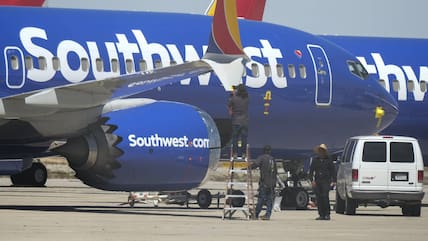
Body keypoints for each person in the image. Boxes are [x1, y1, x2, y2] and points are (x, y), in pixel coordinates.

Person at [309, 144, 336, 221]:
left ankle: (327, 214)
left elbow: (333, 171)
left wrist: (334, 181)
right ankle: (321, 214)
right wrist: (312, 180)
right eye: (319, 151)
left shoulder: (329, 160)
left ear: (324, 152)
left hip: (326, 181)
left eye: (322, 151)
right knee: (319, 198)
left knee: (325, 197)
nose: (320, 152)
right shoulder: (315, 160)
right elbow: (311, 171)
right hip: (318, 181)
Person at [250, 145, 277, 220]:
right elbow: (275, 172)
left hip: (264, 182)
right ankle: (267, 215)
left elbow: (255, 164)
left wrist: (248, 168)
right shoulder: (273, 159)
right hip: (272, 183)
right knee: (269, 200)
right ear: (270, 151)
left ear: (263, 151)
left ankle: (256, 214)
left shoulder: (262, 157)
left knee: (261, 199)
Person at [227, 84, 249, 157]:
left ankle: (235, 153)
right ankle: (244, 154)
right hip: (244, 121)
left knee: (235, 138)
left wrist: (232, 95)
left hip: (236, 121)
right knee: (244, 138)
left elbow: (230, 108)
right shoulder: (246, 98)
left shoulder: (234, 98)